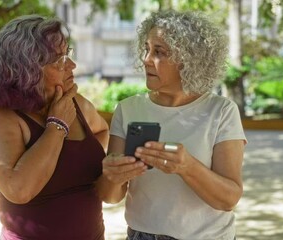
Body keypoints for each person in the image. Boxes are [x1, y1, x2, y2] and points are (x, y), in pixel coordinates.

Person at [96, 10, 247, 240]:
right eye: (146, 49)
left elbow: (228, 199)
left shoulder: (222, 111)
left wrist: (187, 167)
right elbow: (111, 196)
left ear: (188, 59)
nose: (146, 59)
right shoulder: (127, 109)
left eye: (159, 52)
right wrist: (111, 176)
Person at [0, 14, 109, 240]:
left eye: (68, 53)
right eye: (59, 60)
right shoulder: (1, 117)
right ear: (27, 70)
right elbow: (18, 190)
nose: (72, 65)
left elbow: (102, 130)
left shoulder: (77, 104)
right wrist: (56, 126)